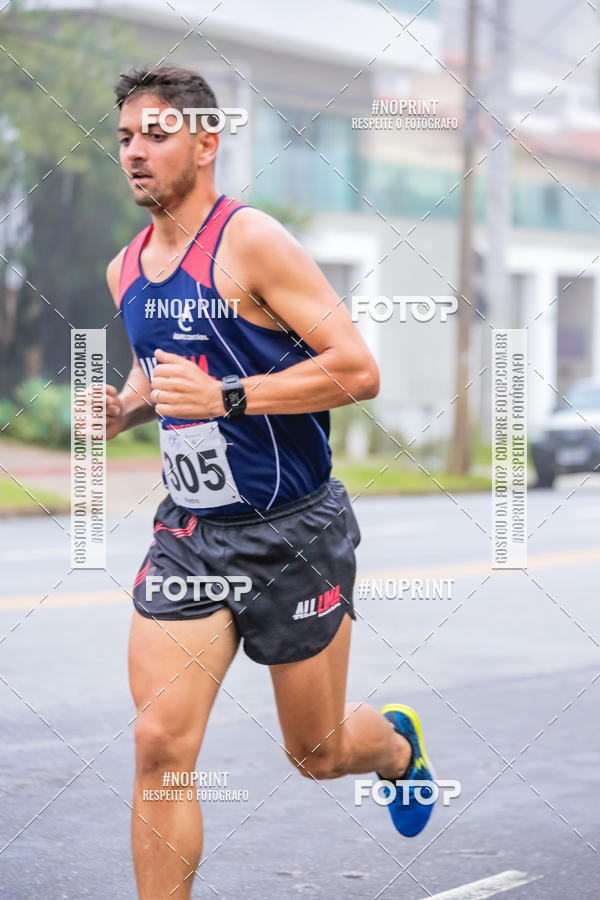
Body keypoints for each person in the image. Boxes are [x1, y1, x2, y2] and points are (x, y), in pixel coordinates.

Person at [103, 64, 436, 899]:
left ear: (207, 141)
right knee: (160, 748)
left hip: (296, 531)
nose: (135, 152)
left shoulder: (251, 241)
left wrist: (230, 398)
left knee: (317, 752)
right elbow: (168, 376)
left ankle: (395, 747)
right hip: (192, 536)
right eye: (123, 138)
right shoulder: (127, 270)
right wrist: (126, 411)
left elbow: (357, 371)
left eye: (155, 133)